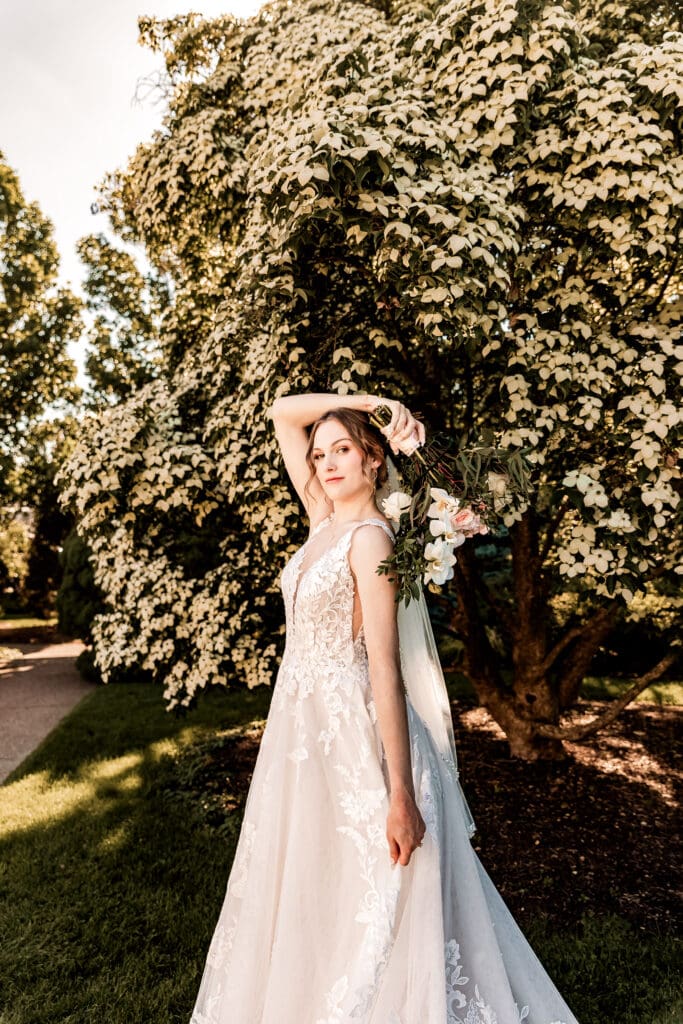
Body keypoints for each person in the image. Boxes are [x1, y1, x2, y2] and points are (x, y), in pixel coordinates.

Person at [189, 392, 580, 1024]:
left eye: (342, 449)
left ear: (374, 460)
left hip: (355, 737)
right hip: (302, 735)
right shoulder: (322, 518)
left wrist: (400, 792)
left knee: (372, 896)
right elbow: (283, 412)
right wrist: (370, 402)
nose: (325, 464)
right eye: (319, 455)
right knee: (314, 883)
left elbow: (383, 669)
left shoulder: (371, 540)